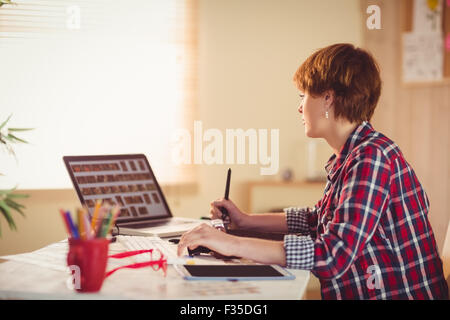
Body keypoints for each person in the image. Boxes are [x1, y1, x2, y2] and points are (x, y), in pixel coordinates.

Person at [177, 43, 449, 300]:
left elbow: (332, 255)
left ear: (328, 98)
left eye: (303, 96)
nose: (299, 107)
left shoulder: (372, 158)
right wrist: (245, 221)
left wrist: (230, 244)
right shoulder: (354, 155)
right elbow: (315, 220)